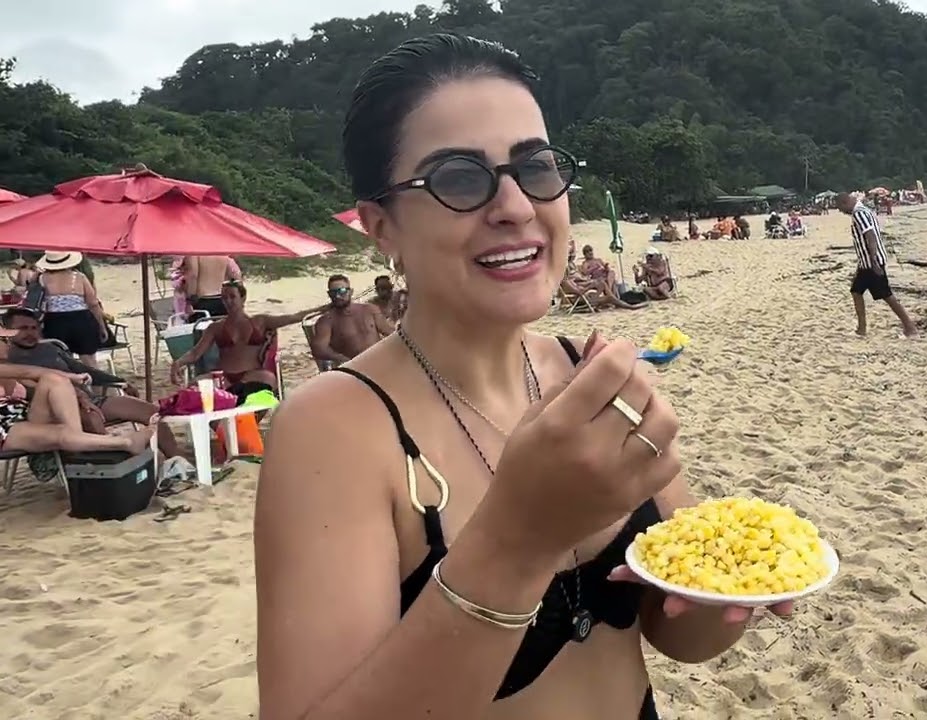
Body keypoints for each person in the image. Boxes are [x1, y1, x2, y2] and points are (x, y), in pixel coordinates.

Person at [254, 34, 786, 720]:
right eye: (457, 178)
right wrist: (521, 538)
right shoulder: (334, 430)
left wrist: (729, 595)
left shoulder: (588, 373)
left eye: (535, 169)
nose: (514, 206)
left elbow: (675, 631)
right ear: (381, 226)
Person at [2, 308, 180, 457]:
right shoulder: (9, 359)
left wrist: (120, 382)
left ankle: (177, 460)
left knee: (150, 411)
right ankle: (111, 468)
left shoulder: (49, 348)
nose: (30, 333)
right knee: (90, 418)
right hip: (55, 409)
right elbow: (28, 387)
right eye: (22, 328)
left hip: (87, 399)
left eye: (33, 328)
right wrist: (78, 396)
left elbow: (80, 369)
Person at [170, 281, 322, 402]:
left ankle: (247, 425)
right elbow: (196, 353)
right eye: (224, 298)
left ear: (243, 298)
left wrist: (324, 308)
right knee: (194, 385)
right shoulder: (215, 327)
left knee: (269, 379)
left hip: (252, 374)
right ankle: (224, 429)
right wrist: (178, 363)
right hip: (223, 377)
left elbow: (293, 317)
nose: (228, 301)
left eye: (232, 297)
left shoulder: (260, 322)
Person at [0, 363, 154, 456]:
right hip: (5, 428)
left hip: (22, 413)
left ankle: (76, 437)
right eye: (3, 340)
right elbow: (25, 372)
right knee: (61, 433)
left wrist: (72, 377)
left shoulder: (7, 366)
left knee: (53, 379)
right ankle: (125, 442)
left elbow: (29, 373)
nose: (8, 342)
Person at [836, 192, 918, 337]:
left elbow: (871, 235)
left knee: (886, 295)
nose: (841, 212)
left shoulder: (859, 213)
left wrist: (873, 261)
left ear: (845, 202)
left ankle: (910, 328)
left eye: (840, 208)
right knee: (856, 291)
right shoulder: (865, 210)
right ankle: (861, 329)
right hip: (865, 263)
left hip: (871, 262)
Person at [33, 251, 108, 368]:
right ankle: (96, 385)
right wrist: (101, 326)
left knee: (61, 363)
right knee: (90, 363)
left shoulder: (42, 278)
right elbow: (93, 303)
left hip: (54, 322)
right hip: (81, 321)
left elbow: (36, 300)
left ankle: (69, 385)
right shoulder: (79, 277)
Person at [311, 274, 394, 366]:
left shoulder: (370, 310)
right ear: (329, 294)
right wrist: (342, 359)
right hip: (354, 367)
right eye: (333, 293)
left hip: (381, 360)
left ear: (351, 291)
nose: (338, 296)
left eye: (342, 291)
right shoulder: (326, 321)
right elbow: (319, 349)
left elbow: (389, 331)